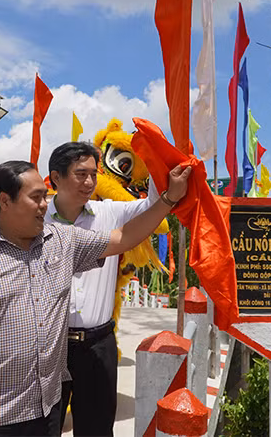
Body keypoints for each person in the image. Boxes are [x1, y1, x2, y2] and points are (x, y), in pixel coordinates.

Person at [0, 160, 190, 437]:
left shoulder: (63, 241)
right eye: (36, 197)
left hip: (45, 414)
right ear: (5, 201)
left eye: (45, 196)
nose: (44, 204)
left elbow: (123, 238)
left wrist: (169, 199)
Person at [46, 141, 164, 436]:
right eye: (80, 174)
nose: (89, 182)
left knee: (97, 429)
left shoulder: (108, 214)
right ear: (56, 177)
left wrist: (156, 158)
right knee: (42, 426)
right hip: (48, 343)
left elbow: (154, 204)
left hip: (98, 344)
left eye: (93, 175)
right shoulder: (36, 217)